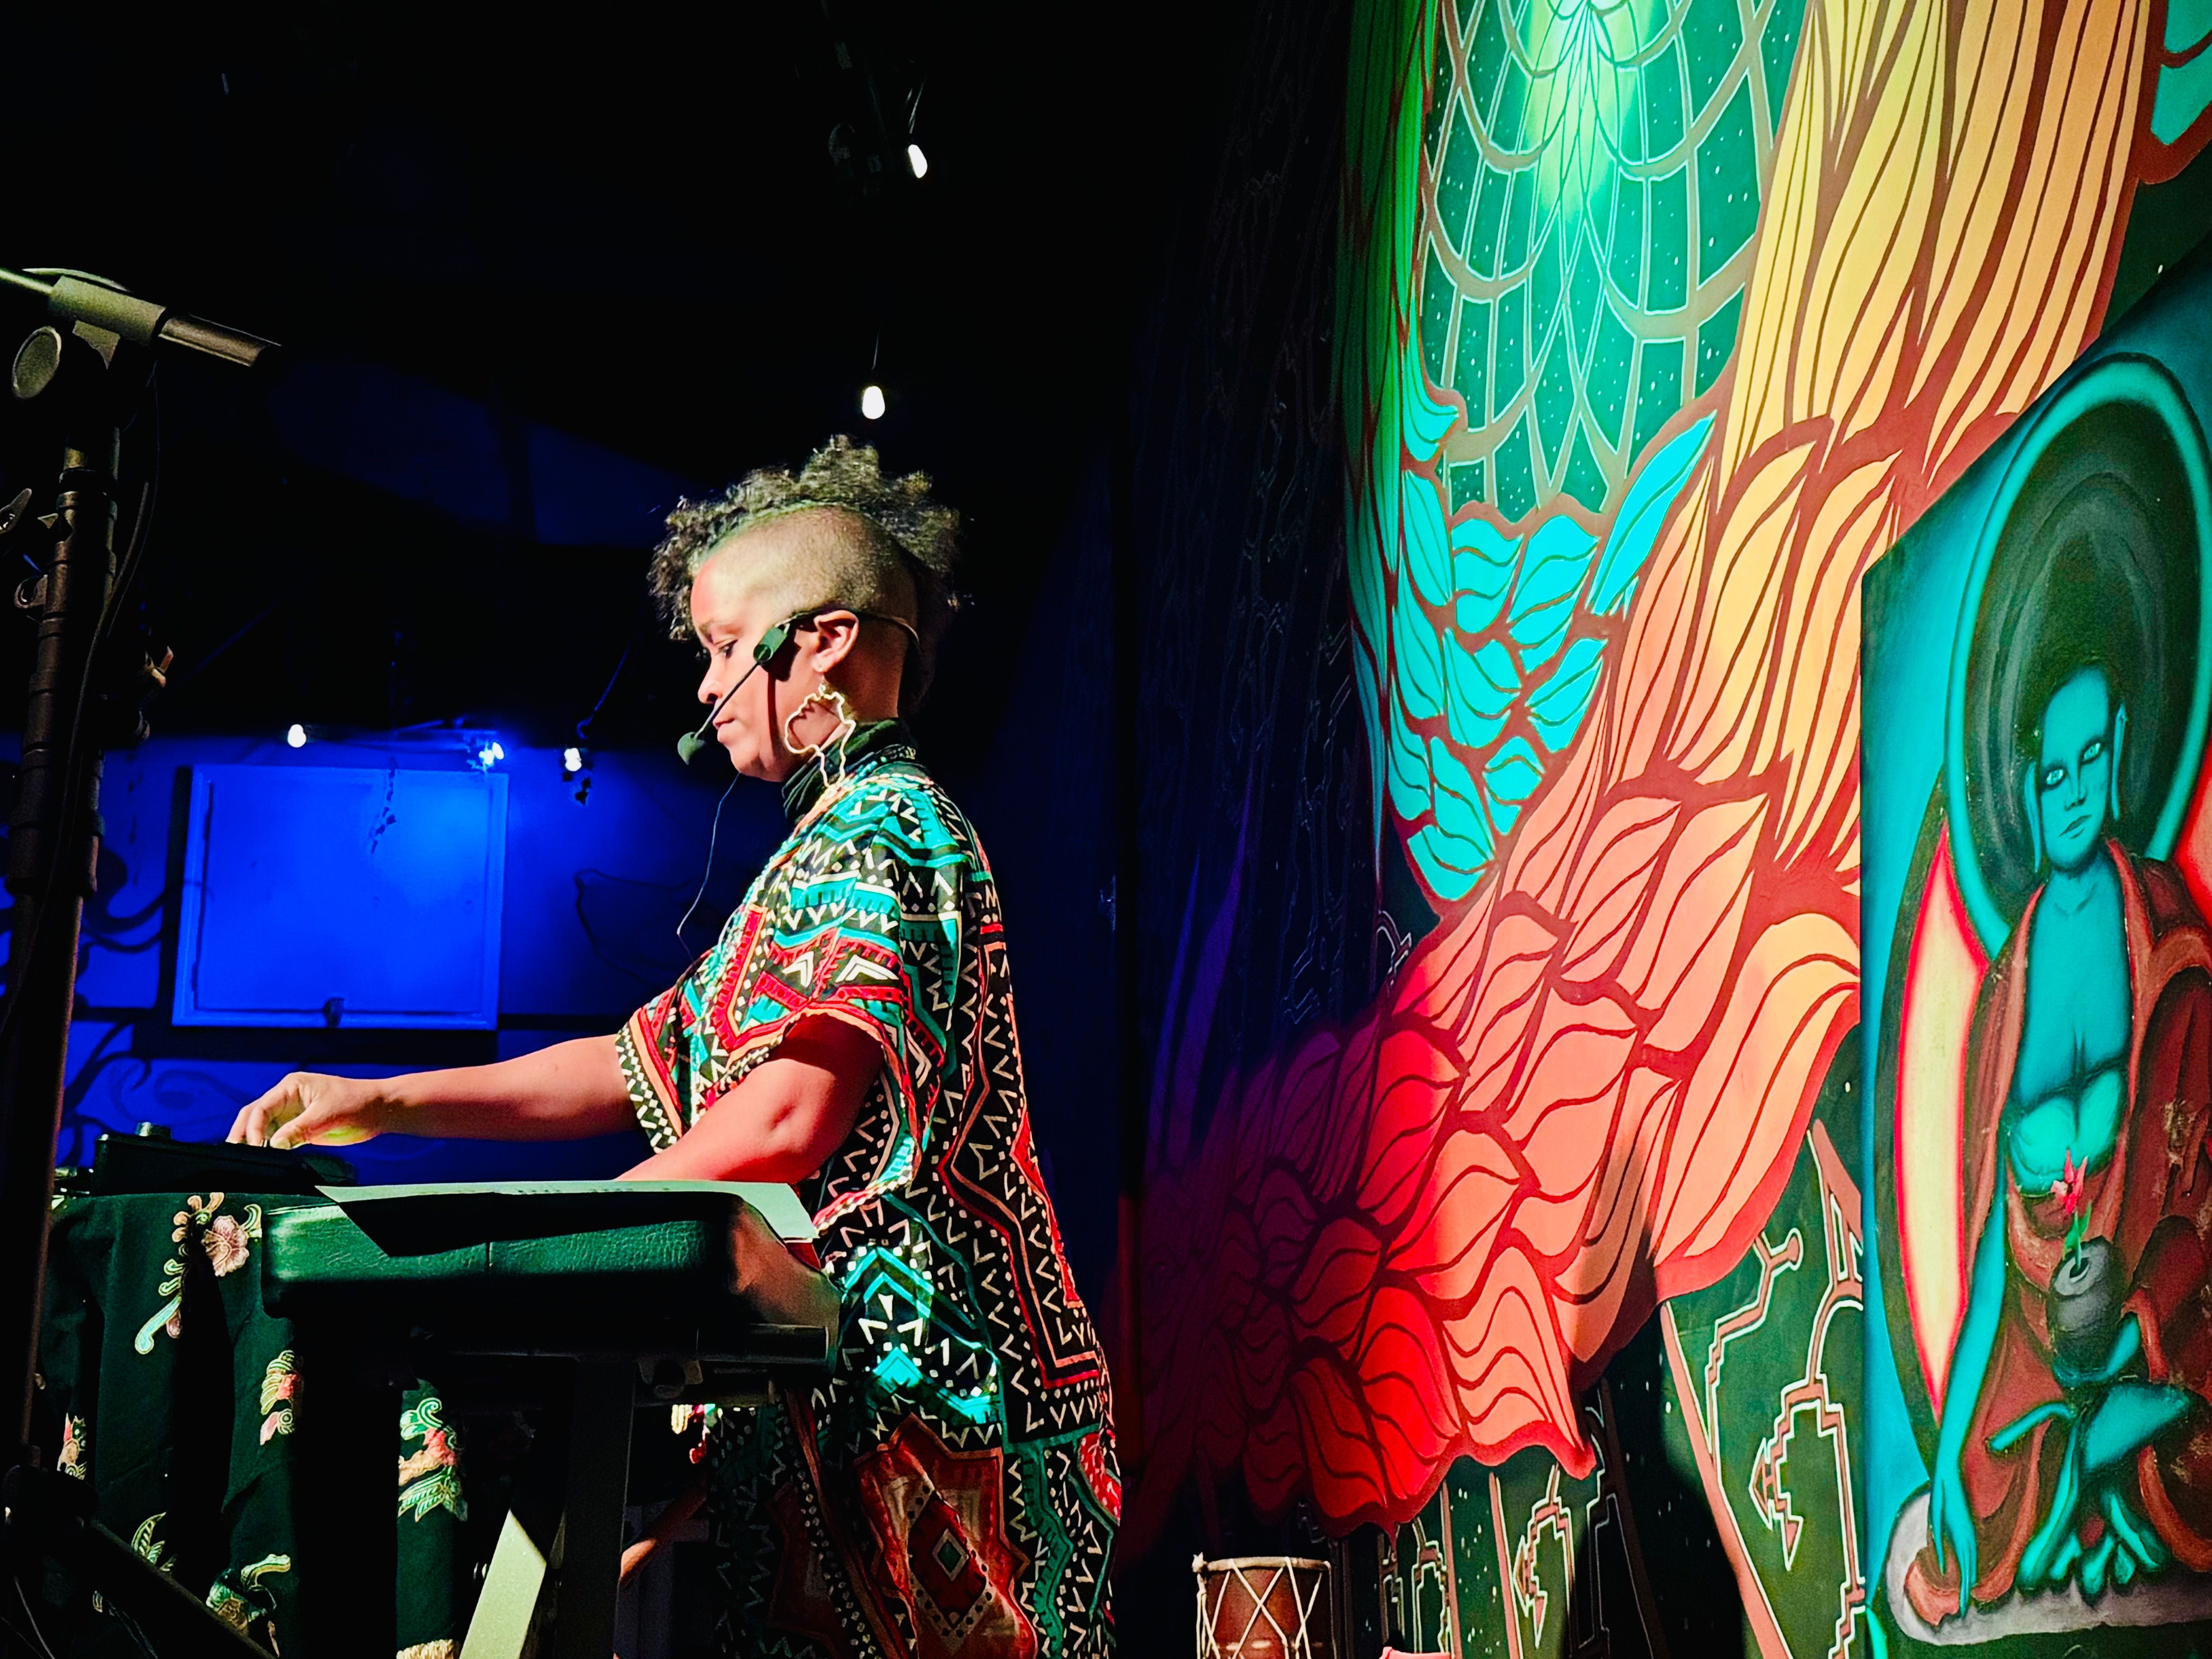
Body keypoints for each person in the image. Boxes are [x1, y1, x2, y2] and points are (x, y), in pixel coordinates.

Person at [228, 438, 1119, 1657]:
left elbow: (786, 1117)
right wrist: (381, 1099)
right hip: (871, 1396)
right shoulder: (821, 852)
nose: (703, 686)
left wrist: (560, 1239)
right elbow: (629, 1060)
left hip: (938, 1407)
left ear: (821, 641)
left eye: (720, 644)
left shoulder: (886, 827)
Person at [1908, 644, 2212, 1625]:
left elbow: (2201, 1185)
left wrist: (2138, 1325)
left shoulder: (2167, 930)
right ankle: (2084, 1452)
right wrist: (1948, 1454)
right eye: (2052, 774)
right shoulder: (2005, 998)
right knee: (1972, 1498)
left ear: (2120, 751)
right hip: (2044, 1342)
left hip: (2157, 1308)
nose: (2075, 793)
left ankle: (2113, 1432)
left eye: (2092, 762)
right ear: (2028, 793)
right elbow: (1992, 1260)